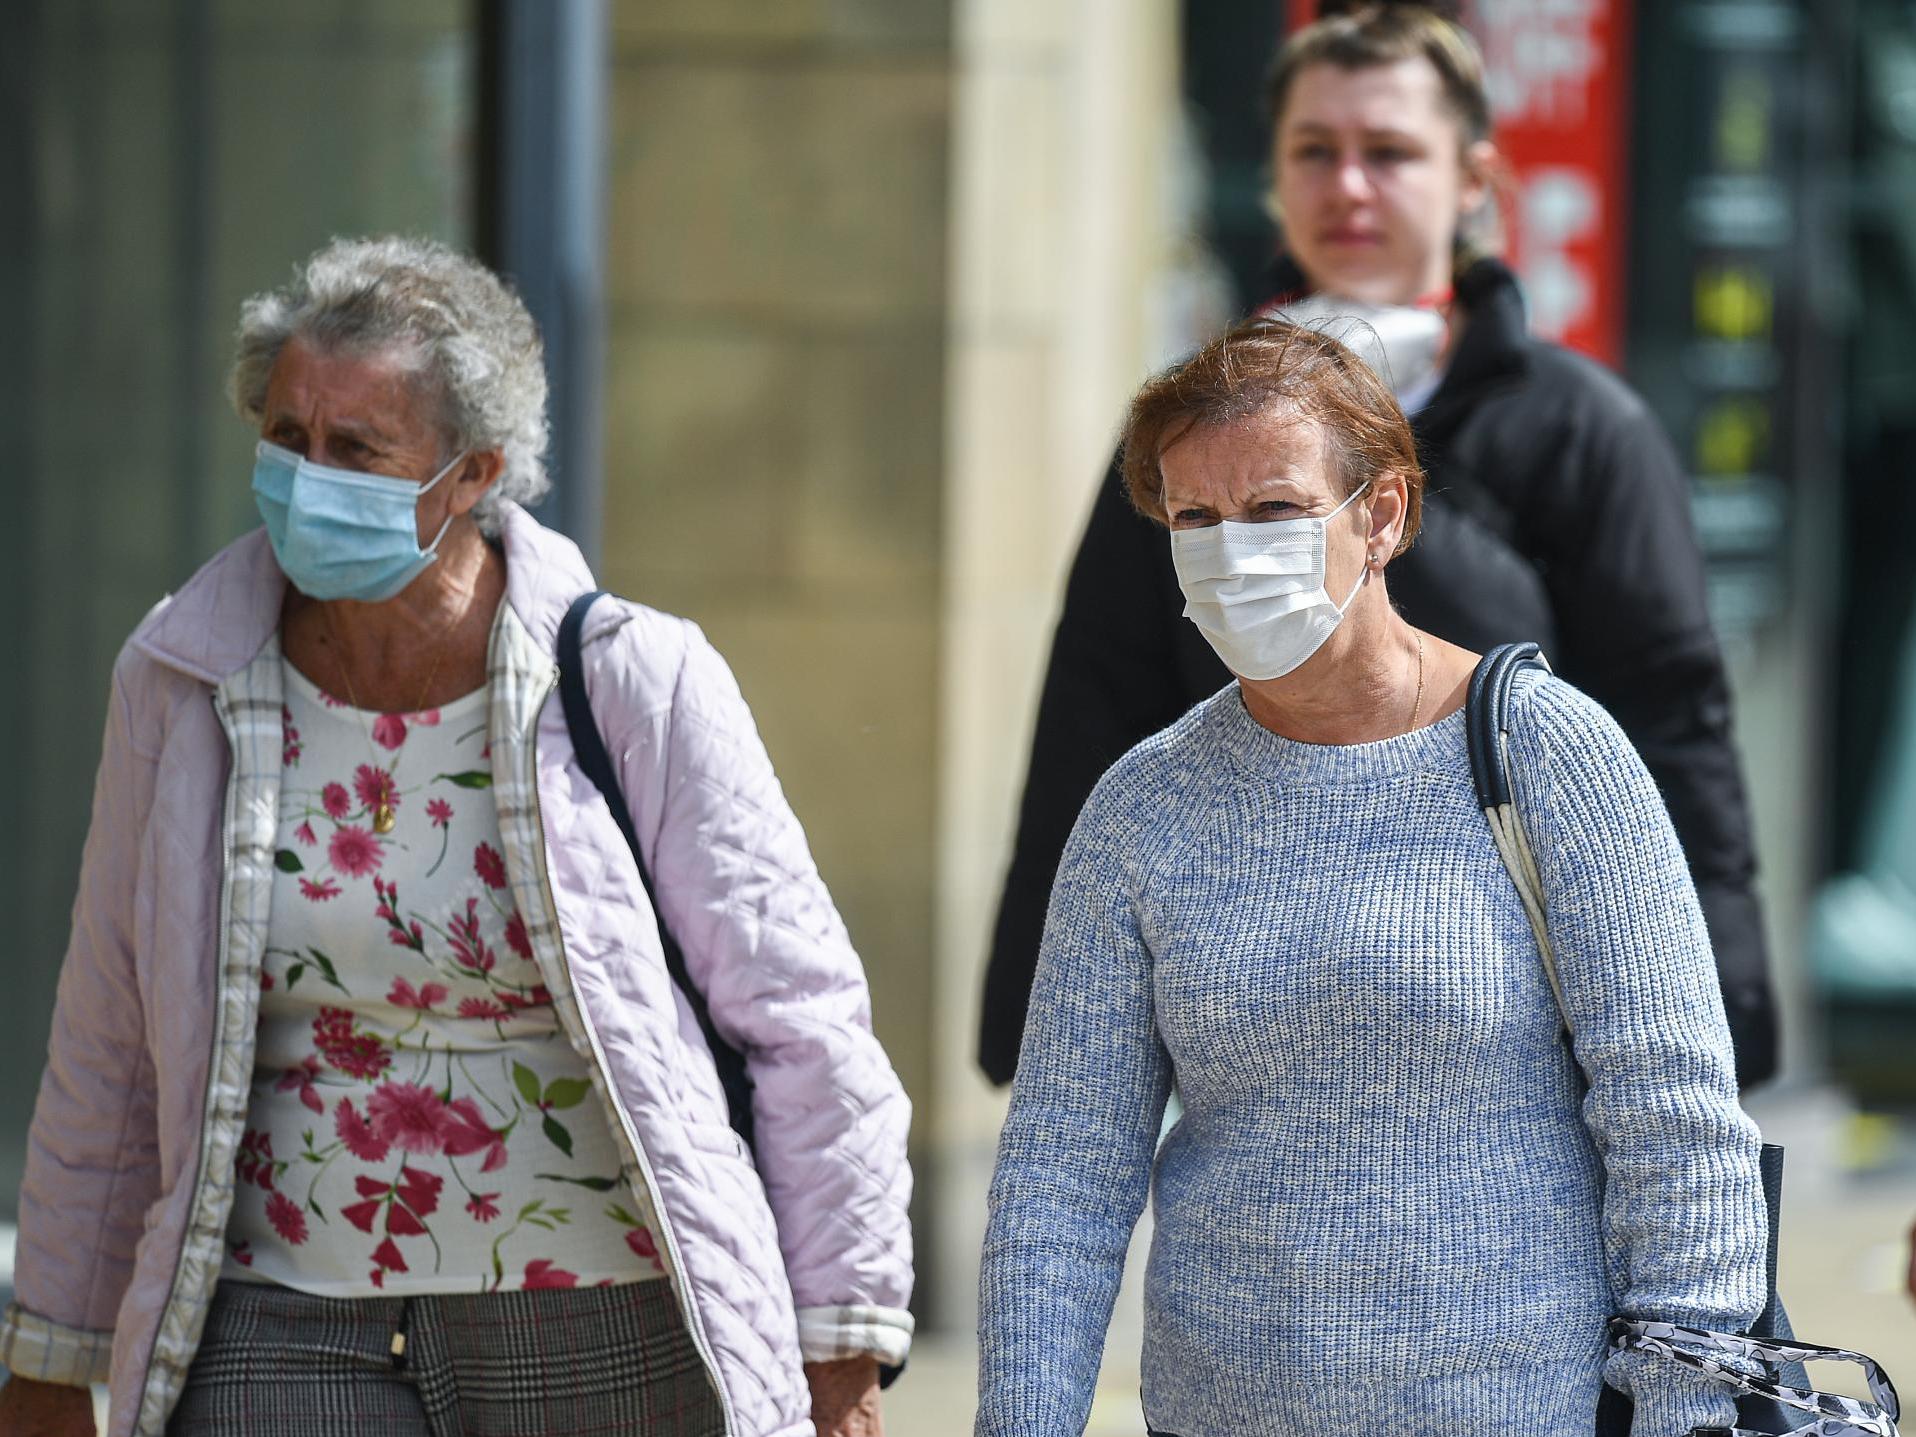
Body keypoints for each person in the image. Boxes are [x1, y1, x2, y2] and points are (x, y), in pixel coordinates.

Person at [0, 237, 912, 1437]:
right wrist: (52, 1350)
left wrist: (840, 1347)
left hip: (601, 1325)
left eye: (356, 450)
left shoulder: (632, 678)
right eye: (286, 437)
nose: (307, 477)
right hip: (275, 1316)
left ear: (473, 472)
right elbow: (109, 1036)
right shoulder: (181, 679)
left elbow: (799, 1018)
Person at [974, 318, 1766, 1437]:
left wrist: (1687, 1414)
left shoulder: (1548, 755)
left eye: (1275, 509)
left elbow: (1676, 1128)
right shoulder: (1141, 807)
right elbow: (1061, 1181)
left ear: (1382, 513)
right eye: (1194, 517)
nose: (1231, 550)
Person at [978, 0, 1779, 1092]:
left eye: (1389, 152)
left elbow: (1671, 727)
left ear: (1472, 180)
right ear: (1275, 177)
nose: (1347, 186)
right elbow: (1093, 709)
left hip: (1506, 1016)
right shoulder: (1186, 430)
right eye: (1315, 151)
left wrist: (1719, 1024)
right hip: (1246, 1006)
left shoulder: (1580, 430)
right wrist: (1035, 1020)